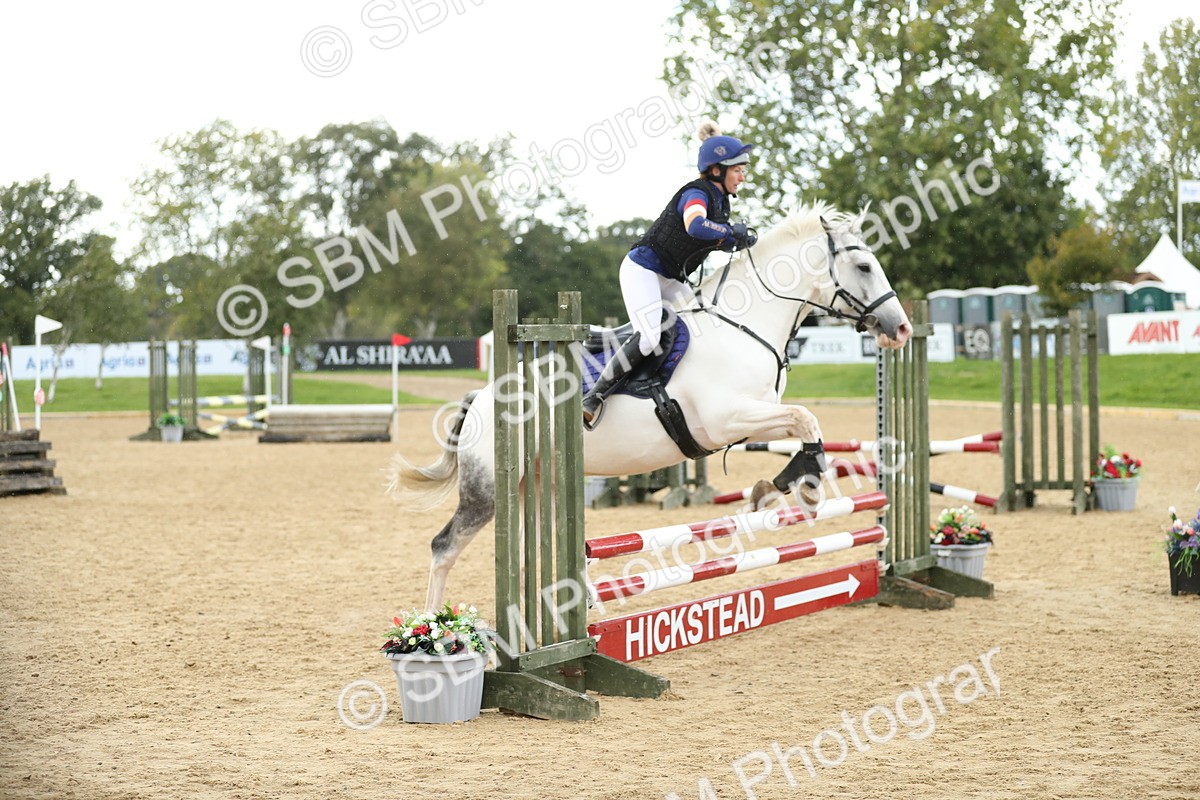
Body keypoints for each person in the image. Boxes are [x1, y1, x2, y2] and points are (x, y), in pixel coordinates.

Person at [582, 122, 758, 428]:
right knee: (650, 336)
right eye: (738, 170)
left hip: (672, 278)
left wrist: (738, 240)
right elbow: (695, 225)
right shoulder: (696, 193)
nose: (743, 177)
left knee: (703, 320)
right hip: (644, 270)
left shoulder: (721, 202)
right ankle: (594, 397)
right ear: (717, 170)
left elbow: (714, 238)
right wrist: (729, 232)